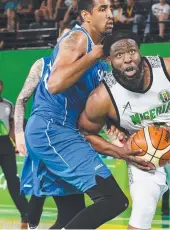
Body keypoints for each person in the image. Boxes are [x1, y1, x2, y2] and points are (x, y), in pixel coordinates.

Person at [78, 30, 170, 229]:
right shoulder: (102, 96)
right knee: (142, 209)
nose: (128, 59)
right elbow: (86, 132)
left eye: (132, 52)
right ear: (109, 59)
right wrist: (121, 152)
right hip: (140, 155)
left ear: (139, 51)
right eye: (119, 55)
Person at [20, 1, 140, 229]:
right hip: (51, 129)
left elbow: (99, 113)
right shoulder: (78, 39)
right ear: (86, 15)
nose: (110, 14)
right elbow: (54, 84)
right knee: (114, 200)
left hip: (61, 131)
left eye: (111, 8)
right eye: (102, 9)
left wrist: (121, 135)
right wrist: (92, 57)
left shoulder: (99, 60)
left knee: (70, 215)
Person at [14, 24, 87, 230]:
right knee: (56, 205)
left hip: (71, 142)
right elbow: (21, 100)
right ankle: (31, 226)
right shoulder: (42, 65)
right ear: (57, 42)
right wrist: (19, 134)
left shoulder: (84, 70)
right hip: (48, 139)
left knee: (75, 212)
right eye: (65, 39)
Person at [0, 80, 29, 229]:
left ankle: (26, 213)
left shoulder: (8, 104)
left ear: (1, 87)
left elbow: (12, 126)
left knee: (13, 180)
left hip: (5, 145)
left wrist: (16, 142)